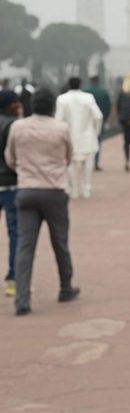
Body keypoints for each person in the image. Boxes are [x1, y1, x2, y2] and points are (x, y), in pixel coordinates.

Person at [4, 87, 80, 316]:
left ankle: (22, 299)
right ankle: (65, 287)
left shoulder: (18, 127)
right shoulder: (61, 128)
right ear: (52, 106)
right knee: (60, 242)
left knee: (25, 246)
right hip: (54, 191)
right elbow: (68, 157)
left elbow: (10, 158)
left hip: (26, 190)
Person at [55, 77, 103, 199]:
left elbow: (58, 119)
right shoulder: (88, 98)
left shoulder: (62, 99)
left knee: (69, 163)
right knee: (88, 163)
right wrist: (95, 131)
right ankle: (86, 188)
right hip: (87, 136)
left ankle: (73, 189)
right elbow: (98, 116)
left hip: (69, 136)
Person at [0, 91, 23, 297]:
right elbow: (16, 156)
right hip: (9, 184)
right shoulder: (13, 126)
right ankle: (13, 278)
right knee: (15, 232)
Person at [84, 74, 112, 171]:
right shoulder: (104, 92)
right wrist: (106, 117)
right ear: (98, 81)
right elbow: (108, 107)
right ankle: (96, 162)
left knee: (86, 141)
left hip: (87, 121)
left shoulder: (85, 92)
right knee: (98, 142)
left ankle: (86, 162)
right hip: (100, 120)